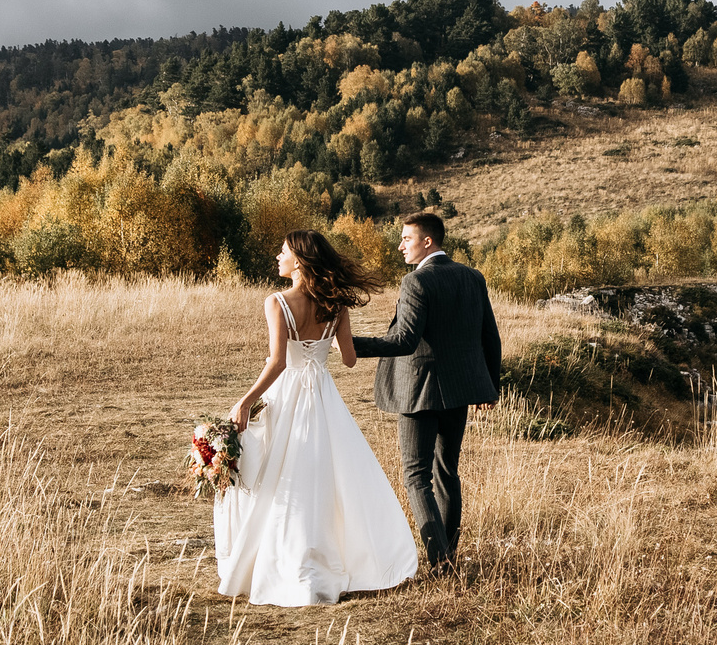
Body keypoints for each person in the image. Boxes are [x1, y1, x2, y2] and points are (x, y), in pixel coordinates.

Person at [215, 229, 420, 606]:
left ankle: (282, 561)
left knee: (281, 476)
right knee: (327, 473)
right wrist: (323, 343)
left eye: (283, 252)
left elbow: (278, 362)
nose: (278, 257)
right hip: (323, 395)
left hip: (288, 394)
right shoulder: (336, 304)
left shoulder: (276, 302)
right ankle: (333, 558)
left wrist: (245, 401)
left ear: (299, 260)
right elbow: (349, 358)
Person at [351, 211, 503, 574]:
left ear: (427, 241)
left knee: (416, 475)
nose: (401, 245)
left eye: (407, 238)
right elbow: (490, 337)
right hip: (460, 391)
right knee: (447, 472)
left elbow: (404, 340)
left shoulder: (416, 282)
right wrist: (490, 386)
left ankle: (440, 560)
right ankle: (447, 555)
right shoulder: (472, 277)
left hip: (418, 391)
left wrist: (351, 345)